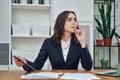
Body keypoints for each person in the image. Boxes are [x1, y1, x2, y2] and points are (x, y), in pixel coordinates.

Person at [14, 10, 92, 71]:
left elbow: (88, 67)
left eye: (75, 20)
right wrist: (25, 63)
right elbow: (38, 65)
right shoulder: (48, 42)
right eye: (69, 20)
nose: (74, 22)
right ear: (61, 23)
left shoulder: (79, 42)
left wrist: (83, 42)